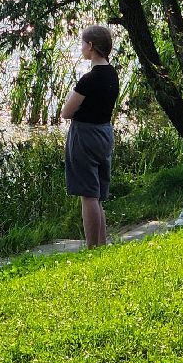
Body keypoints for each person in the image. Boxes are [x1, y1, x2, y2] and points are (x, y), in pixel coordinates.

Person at [61, 24, 119, 248]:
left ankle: (91, 247)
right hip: (104, 133)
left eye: (83, 43)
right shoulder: (112, 75)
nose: (81, 47)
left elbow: (66, 112)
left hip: (85, 135)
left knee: (88, 195)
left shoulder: (89, 79)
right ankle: (101, 244)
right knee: (97, 195)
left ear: (91, 46)